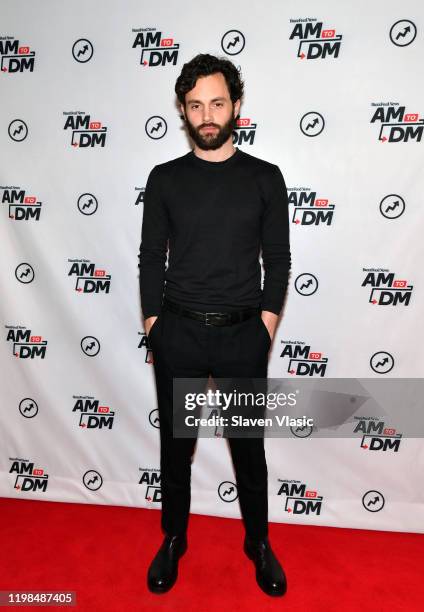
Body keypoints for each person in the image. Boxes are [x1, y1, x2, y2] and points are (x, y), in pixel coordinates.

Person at [138, 53, 291, 596]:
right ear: (183, 110)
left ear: (236, 106)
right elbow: (150, 257)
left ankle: (259, 542)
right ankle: (174, 539)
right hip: (177, 332)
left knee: (248, 447)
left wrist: (266, 325)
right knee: (176, 448)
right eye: (196, 105)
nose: (207, 115)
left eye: (217, 103)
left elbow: (278, 259)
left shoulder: (266, 178)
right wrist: (155, 324)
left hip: (242, 337)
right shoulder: (164, 180)